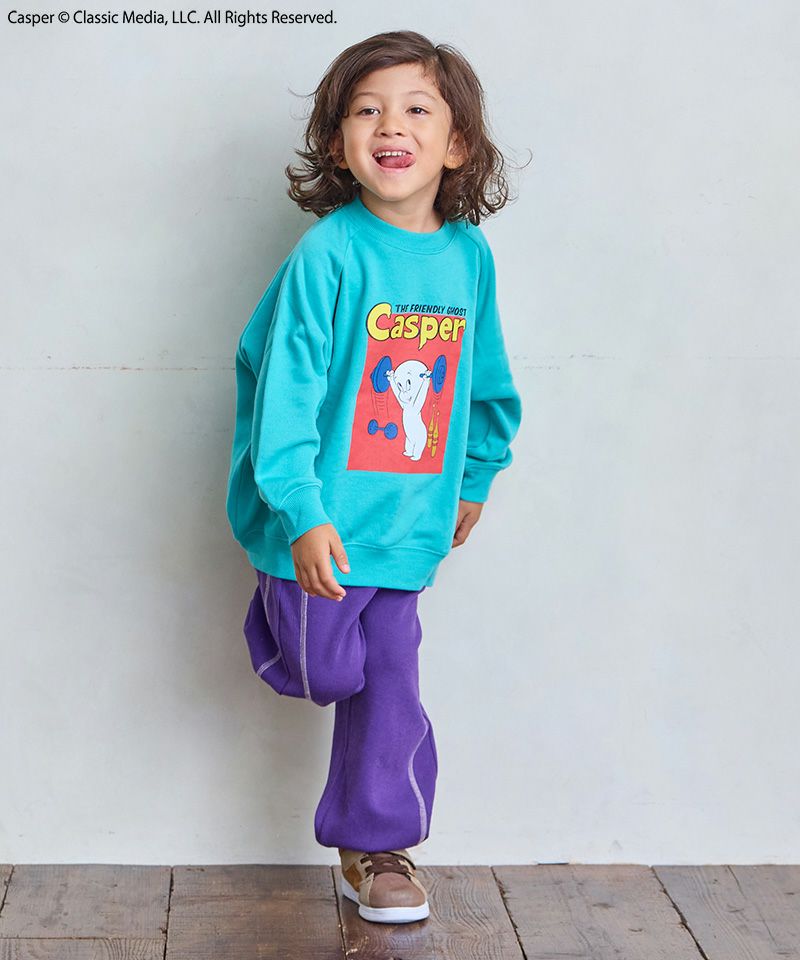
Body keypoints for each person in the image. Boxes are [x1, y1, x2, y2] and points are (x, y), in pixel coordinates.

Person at [225, 29, 523, 924]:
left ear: (457, 144)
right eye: (366, 111)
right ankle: (281, 622)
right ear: (337, 143)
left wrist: (475, 476)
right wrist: (301, 510)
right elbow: (285, 393)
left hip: (407, 521)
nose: (391, 126)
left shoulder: (468, 257)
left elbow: (487, 379)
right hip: (320, 520)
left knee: (392, 682)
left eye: (416, 110)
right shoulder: (329, 254)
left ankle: (377, 847)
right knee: (326, 670)